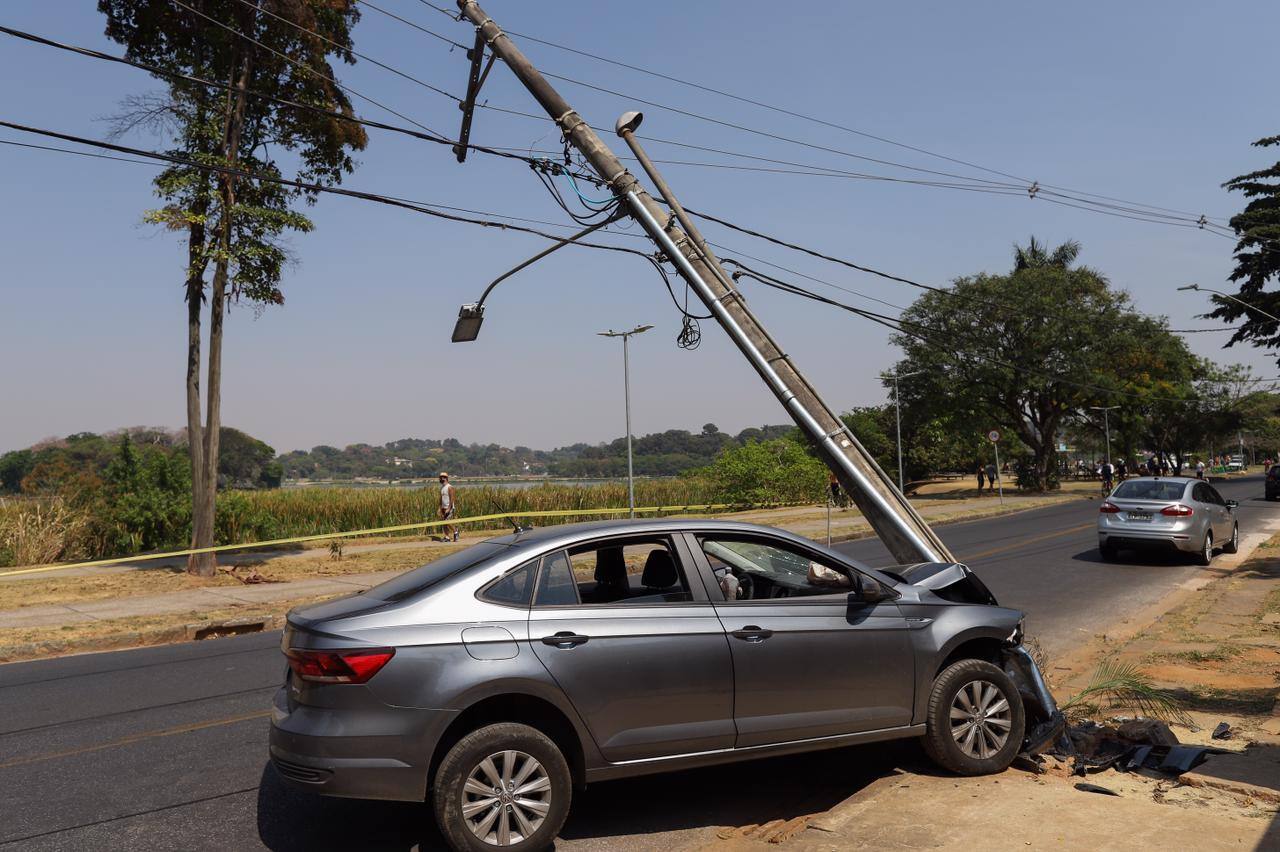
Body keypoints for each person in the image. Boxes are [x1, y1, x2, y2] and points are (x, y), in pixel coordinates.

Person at [438, 472, 459, 542]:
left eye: (442, 477)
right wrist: (439, 508)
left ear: (446, 478)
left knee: (447, 521)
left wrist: (449, 508)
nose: (441, 478)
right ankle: (447, 537)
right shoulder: (442, 488)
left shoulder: (450, 487)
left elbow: (452, 498)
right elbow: (441, 499)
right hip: (443, 508)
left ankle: (455, 531)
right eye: (440, 477)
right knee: (443, 522)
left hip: (448, 507)